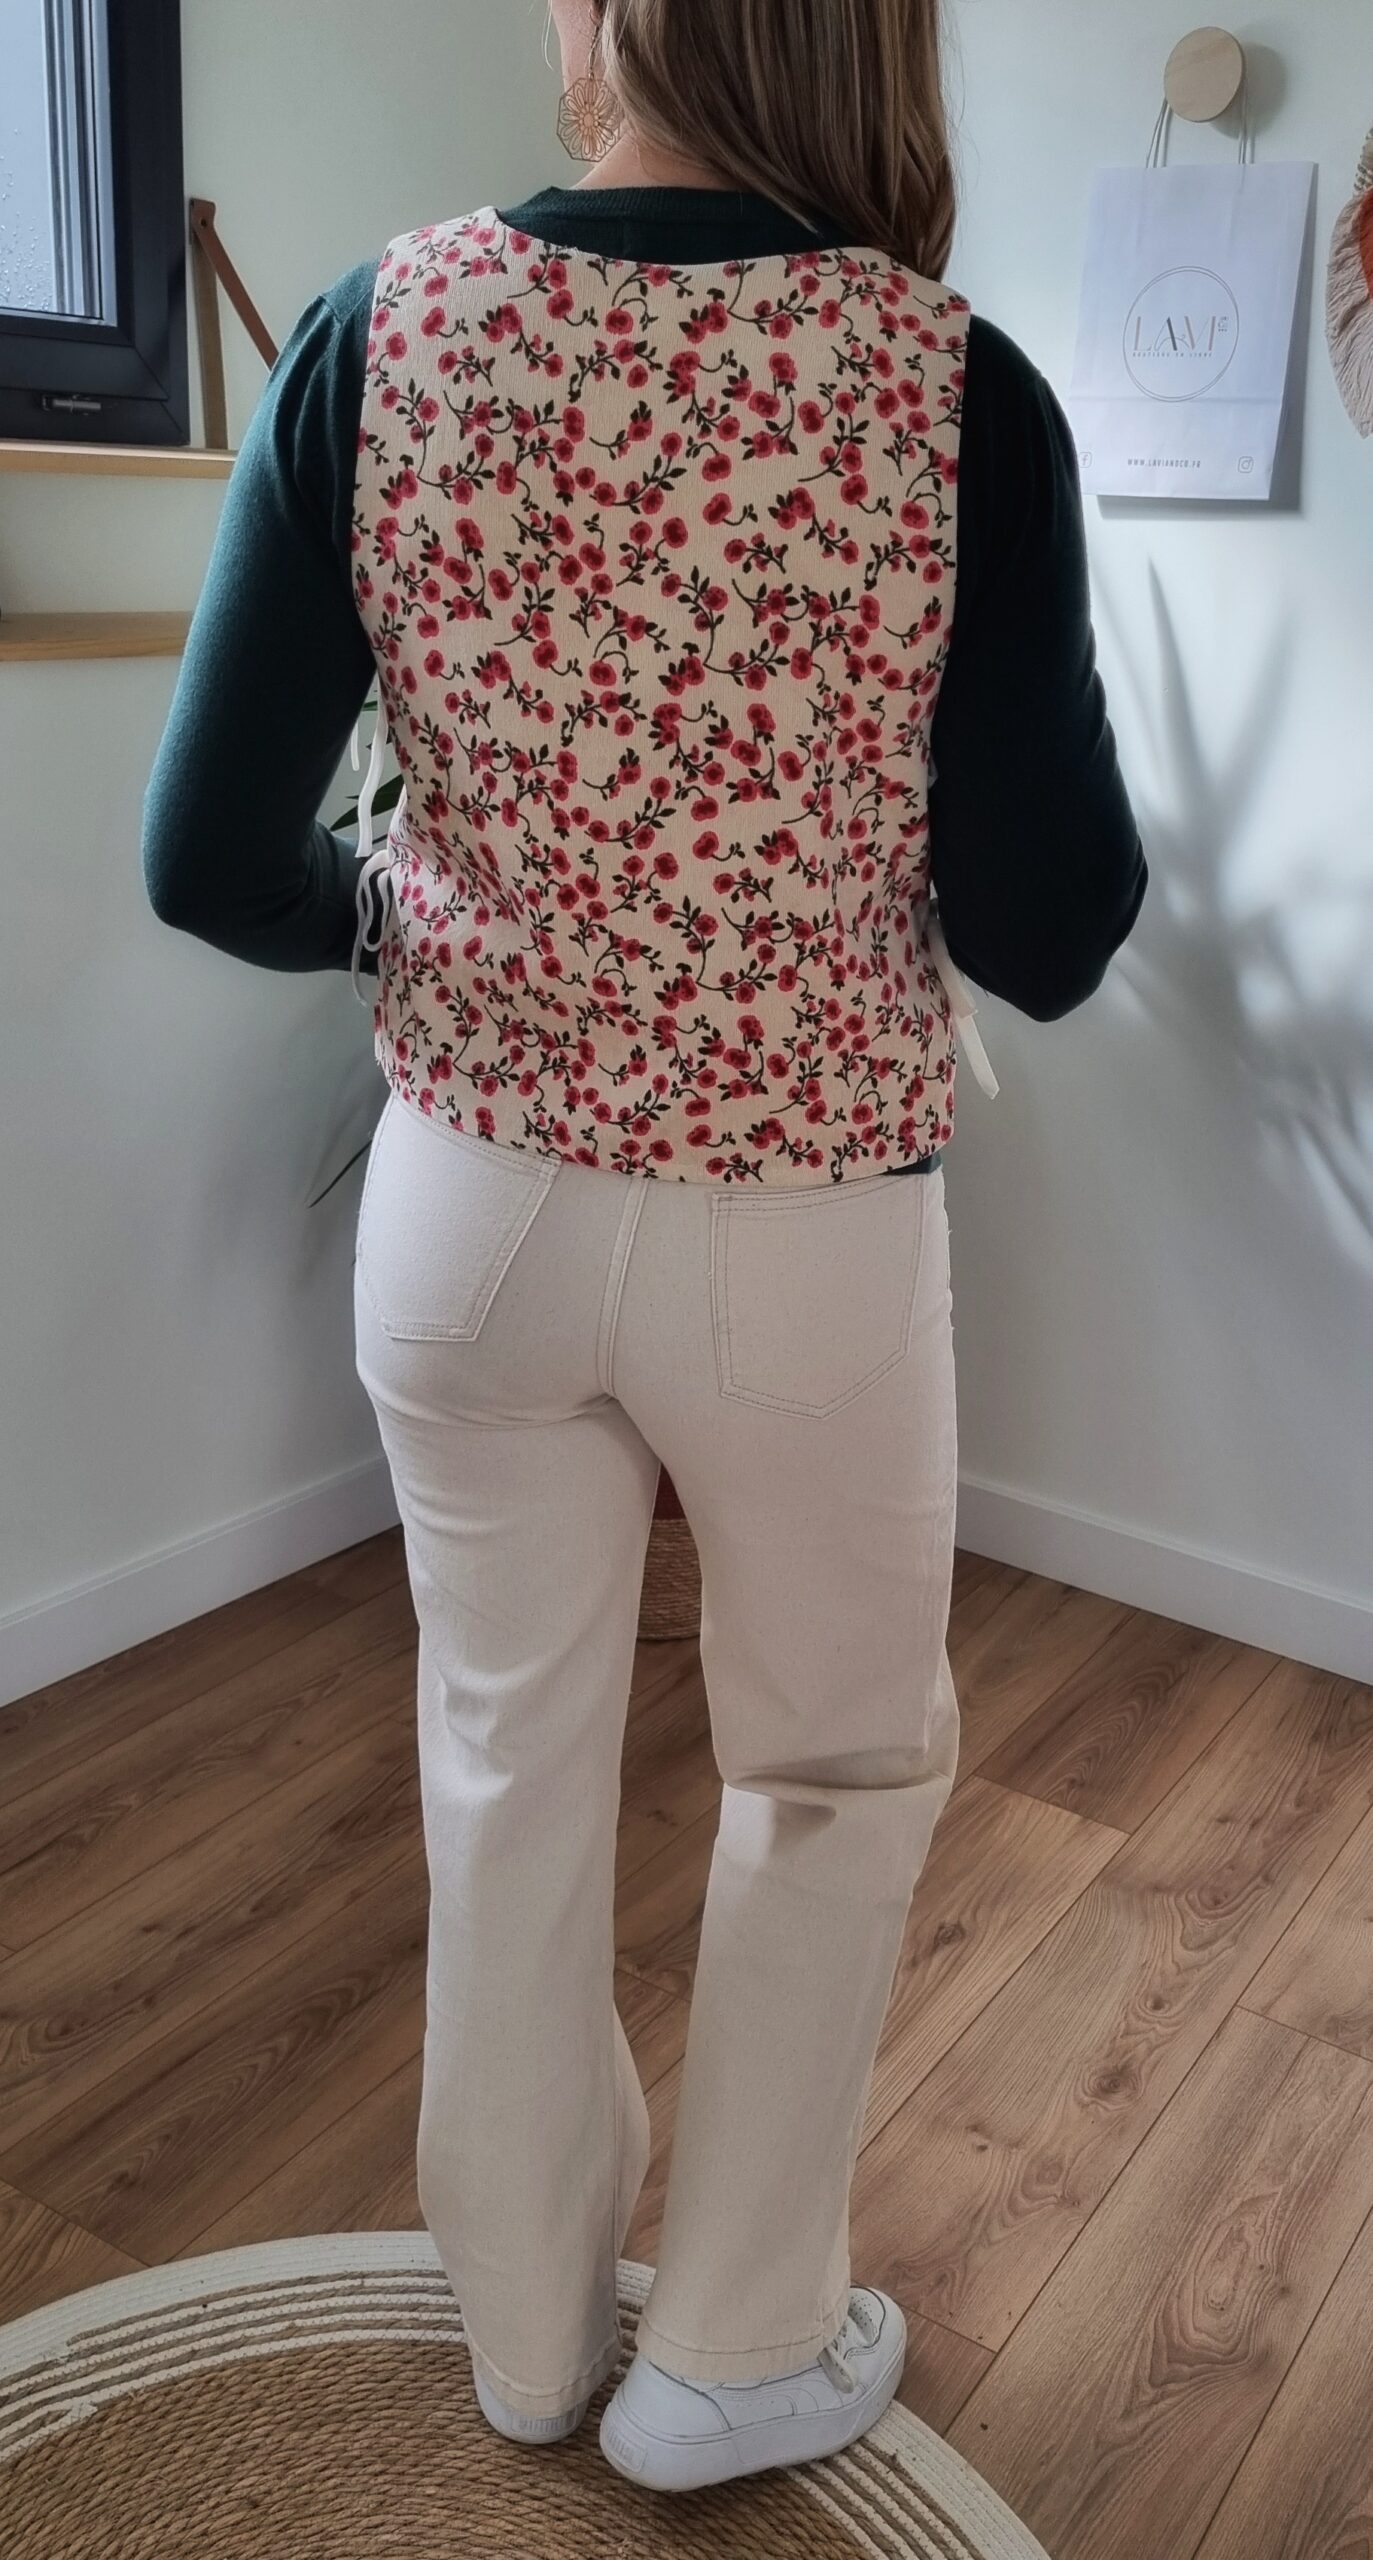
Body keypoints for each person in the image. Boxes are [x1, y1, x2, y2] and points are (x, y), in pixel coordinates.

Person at [142, 0, 1145, 2499]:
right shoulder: (951, 390)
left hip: (469, 1208)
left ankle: (520, 2324)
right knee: (830, 1765)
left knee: (505, 1748)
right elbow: (1052, 927)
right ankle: (733, 2346)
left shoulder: (382, 332)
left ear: (601, 14)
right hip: (801, 1230)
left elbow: (209, 853)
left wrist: (409, 905)